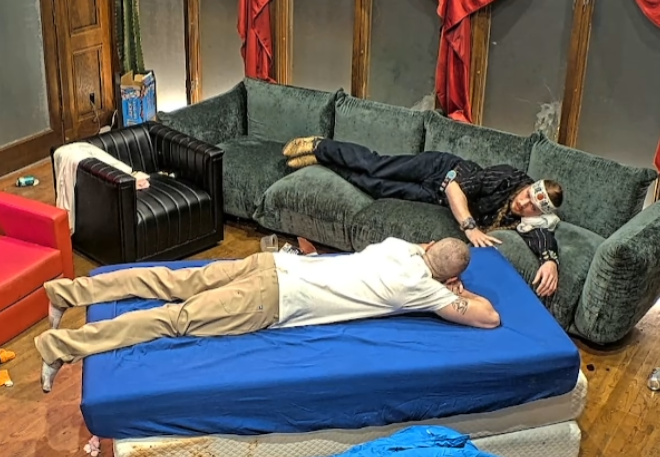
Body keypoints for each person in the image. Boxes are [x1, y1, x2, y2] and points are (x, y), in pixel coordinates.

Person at [36, 237, 500, 393]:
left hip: (272, 264)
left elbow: (429, 249)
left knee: (171, 281)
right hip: (272, 298)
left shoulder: (400, 248)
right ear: (449, 277)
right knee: (171, 319)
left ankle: (65, 292)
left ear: (430, 246)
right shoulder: (423, 289)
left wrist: (440, 271)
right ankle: (59, 348)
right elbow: (488, 318)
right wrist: (454, 290)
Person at [283, 136, 564, 298]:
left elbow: (541, 236)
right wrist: (470, 227)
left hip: (433, 196)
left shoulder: (531, 220)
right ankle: (321, 146)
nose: (523, 202)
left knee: (374, 186)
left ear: (539, 213)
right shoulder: (508, 177)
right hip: (441, 170)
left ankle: (323, 163)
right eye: (527, 194)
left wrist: (550, 261)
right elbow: (454, 187)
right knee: (376, 166)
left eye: (532, 206)